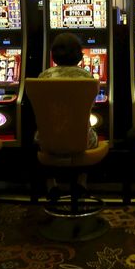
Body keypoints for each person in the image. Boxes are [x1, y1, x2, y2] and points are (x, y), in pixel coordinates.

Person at [37, 32, 98, 202]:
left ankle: (51, 185)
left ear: (53, 55)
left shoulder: (43, 77)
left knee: (41, 135)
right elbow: (91, 106)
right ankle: (81, 182)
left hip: (48, 140)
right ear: (79, 55)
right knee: (92, 132)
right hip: (81, 140)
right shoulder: (87, 78)